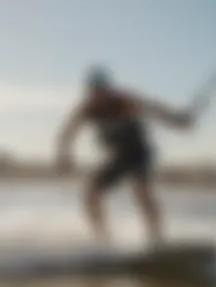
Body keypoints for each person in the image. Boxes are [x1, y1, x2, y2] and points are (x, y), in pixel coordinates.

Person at [55, 65, 197, 245]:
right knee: (91, 193)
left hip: (139, 152)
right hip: (117, 157)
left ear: (108, 88)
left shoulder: (124, 101)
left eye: (102, 90)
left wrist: (178, 120)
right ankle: (103, 239)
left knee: (141, 191)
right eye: (94, 91)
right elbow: (68, 132)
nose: (99, 95)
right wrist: (64, 156)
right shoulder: (87, 109)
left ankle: (156, 239)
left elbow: (153, 109)